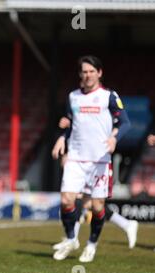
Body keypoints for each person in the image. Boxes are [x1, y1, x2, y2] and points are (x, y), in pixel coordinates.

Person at [51, 55, 130, 262]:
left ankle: (92, 245)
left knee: (97, 207)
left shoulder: (109, 96)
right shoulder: (73, 97)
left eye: (91, 71)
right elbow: (71, 123)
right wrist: (62, 138)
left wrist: (114, 138)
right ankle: (71, 239)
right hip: (76, 157)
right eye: (84, 72)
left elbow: (125, 123)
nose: (87, 75)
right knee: (66, 199)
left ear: (99, 73)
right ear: (80, 74)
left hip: (100, 160)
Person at [52, 118, 138, 251]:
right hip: (80, 160)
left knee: (89, 202)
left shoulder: (106, 103)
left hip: (96, 161)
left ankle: (73, 239)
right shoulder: (78, 102)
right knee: (86, 202)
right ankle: (126, 224)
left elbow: (120, 123)